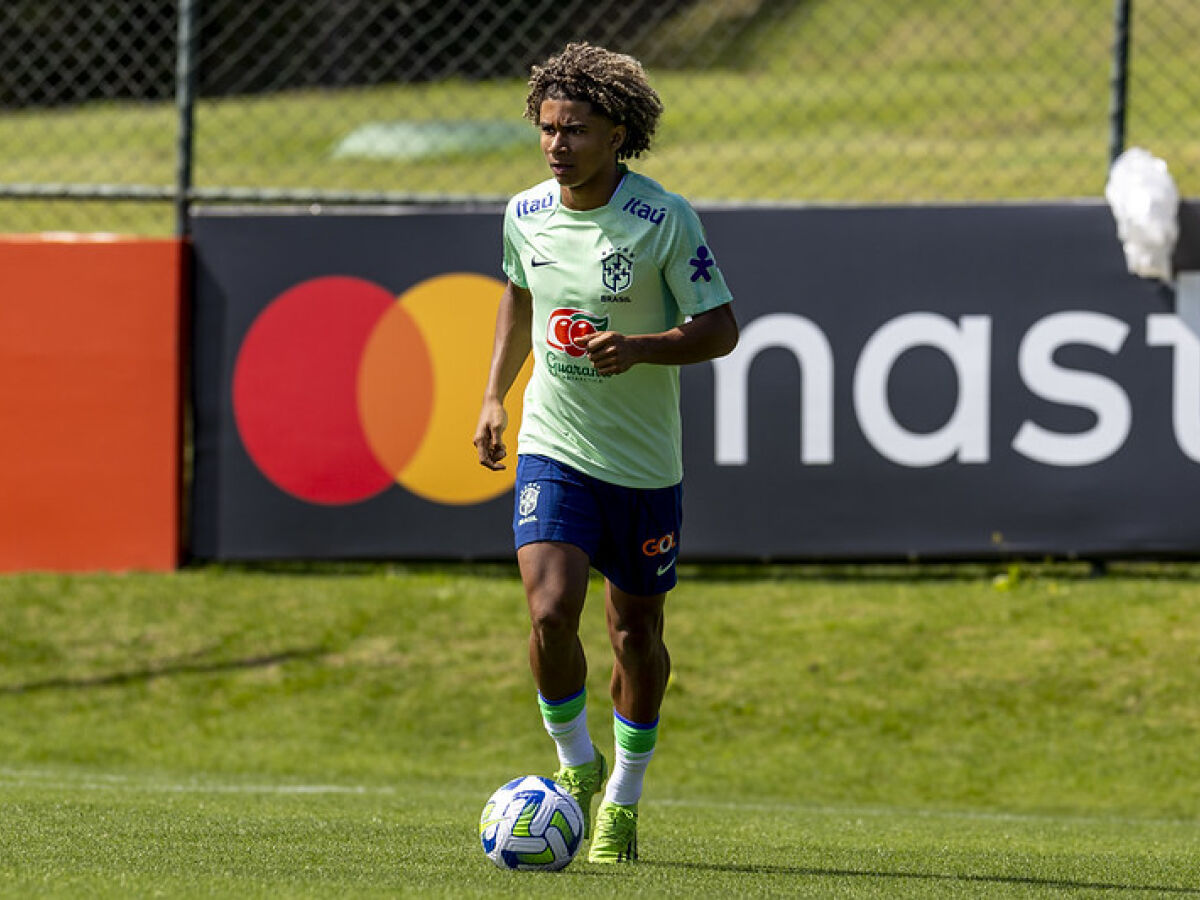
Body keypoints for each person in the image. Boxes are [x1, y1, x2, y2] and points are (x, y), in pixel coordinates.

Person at [473, 41, 738, 864]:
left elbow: (721, 330)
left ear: (616, 133)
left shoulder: (665, 220)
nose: (557, 145)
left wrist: (645, 347)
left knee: (634, 635)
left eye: (575, 130)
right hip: (556, 443)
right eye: (548, 128)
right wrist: (494, 396)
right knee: (550, 610)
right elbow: (519, 301)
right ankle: (576, 765)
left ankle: (624, 794)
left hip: (645, 463)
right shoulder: (524, 214)